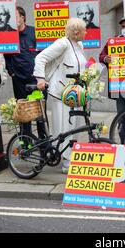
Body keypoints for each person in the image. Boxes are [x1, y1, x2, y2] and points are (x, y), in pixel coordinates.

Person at [34, 18, 88, 173]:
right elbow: (40, 58)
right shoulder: (63, 43)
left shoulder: (79, 45)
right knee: (64, 127)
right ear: (76, 32)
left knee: (75, 127)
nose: (86, 32)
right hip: (60, 93)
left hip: (76, 94)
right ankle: (66, 162)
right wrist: (40, 78)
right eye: (84, 30)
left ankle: (74, 157)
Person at [4, 6, 40, 135]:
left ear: (22, 18)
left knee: (38, 112)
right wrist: (11, 72)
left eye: (15, 17)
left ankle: (42, 144)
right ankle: (25, 141)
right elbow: (6, 55)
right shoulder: (9, 35)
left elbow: (43, 52)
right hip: (19, 80)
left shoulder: (34, 32)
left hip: (36, 79)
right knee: (23, 113)